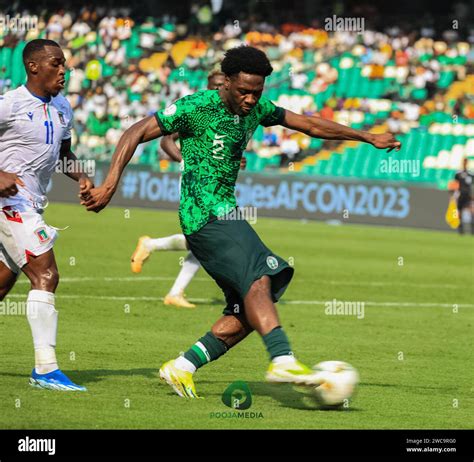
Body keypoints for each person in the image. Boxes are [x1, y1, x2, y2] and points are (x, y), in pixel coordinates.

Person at [82, 45, 401, 398]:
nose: (250, 100)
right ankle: (282, 359)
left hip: (224, 212)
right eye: (243, 91)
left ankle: (183, 366)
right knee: (261, 277)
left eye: (257, 92)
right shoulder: (196, 107)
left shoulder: (258, 109)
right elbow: (135, 132)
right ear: (227, 82)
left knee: (248, 311)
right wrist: (110, 184)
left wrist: (367, 137)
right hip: (203, 214)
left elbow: (308, 124)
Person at [0, 39, 93, 391]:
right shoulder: (9, 105)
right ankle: (45, 368)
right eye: (56, 64)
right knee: (46, 274)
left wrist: (82, 177)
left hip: (32, 203)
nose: (64, 70)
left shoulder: (62, 107)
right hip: (9, 205)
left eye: (65, 64)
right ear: (34, 67)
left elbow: (64, 152)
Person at [131, 71, 246, 309]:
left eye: (220, 86)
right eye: (214, 86)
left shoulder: (229, 114)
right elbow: (165, 141)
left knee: (205, 239)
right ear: (208, 86)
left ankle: (169, 279)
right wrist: (185, 161)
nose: (217, 90)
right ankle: (158, 257)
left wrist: (235, 160)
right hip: (196, 182)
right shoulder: (197, 109)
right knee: (210, 237)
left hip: (215, 185)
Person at [454, 157, 474, 235]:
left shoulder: (471, 174)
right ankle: (461, 230)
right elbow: (455, 184)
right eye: (464, 162)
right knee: (459, 212)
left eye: (466, 162)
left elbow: (472, 185)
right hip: (461, 195)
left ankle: (472, 230)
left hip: (468, 195)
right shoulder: (458, 174)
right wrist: (455, 195)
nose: (465, 163)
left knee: (472, 212)